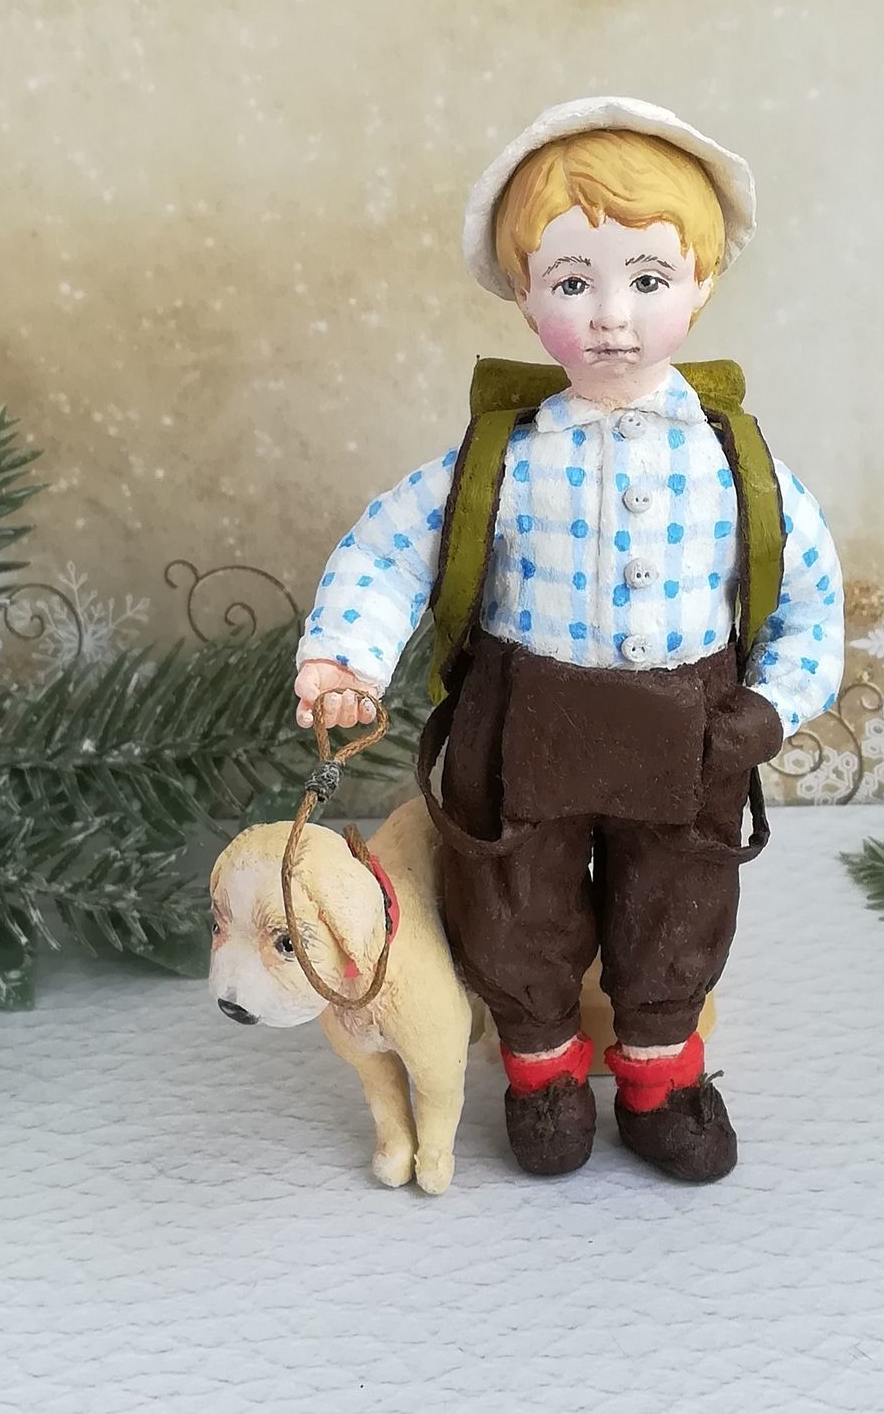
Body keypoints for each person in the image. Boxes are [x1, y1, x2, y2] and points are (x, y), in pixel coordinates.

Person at [294, 97, 844, 1183]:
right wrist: (346, 656)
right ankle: (541, 1074)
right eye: (571, 283)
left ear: (701, 284)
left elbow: (811, 604)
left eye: (648, 278)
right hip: (521, 723)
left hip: (692, 728)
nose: (611, 317)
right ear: (522, 294)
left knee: (676, 904)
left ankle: (659, 1079)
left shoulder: (739, 468)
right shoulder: (496, 460)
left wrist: (771, 706)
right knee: (512, 902)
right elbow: (388, 553)